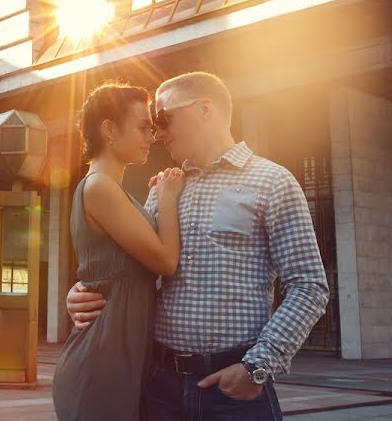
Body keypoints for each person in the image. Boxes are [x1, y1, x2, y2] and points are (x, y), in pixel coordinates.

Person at [66, 72, 329, 421]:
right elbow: (137, 269)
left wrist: (257, 367)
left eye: (163, 119)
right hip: (160, 388)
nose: (157, 133)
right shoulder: (164, 190)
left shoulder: (272, 181)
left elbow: (309, 285)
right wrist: (84, 291)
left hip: (234, 388)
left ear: (205, 109)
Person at [53, 81, 185, 421]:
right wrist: (168, 199)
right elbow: (166, 261)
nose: (151, 136)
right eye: (143, 127)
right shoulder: (99, 187)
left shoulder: (115, 191)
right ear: (109, 129)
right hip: (101, 363)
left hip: (121, 357)